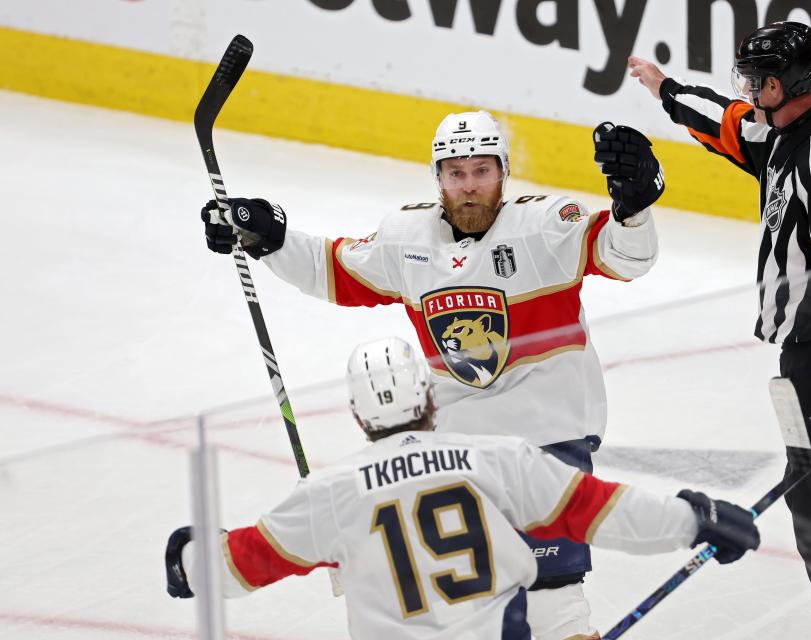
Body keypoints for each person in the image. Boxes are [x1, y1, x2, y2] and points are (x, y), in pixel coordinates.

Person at [199, 111, 666, 639]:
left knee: (553, 603)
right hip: (454, 455)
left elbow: (627, 259)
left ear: (504, 172)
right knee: (463, 604)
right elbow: (336, 270)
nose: (469, 186)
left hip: (548, 444)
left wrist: (633, 210)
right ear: (438, 177)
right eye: (455, 173)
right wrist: (268, 237)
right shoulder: (407, 237)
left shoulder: (548, 225)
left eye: (482, 171)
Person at [165, 337, 761, 639]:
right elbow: (600, 512)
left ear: (357, 414)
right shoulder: (495, 459)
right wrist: (698, 517)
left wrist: (191, 555)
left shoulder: (331, 492)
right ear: (429, 397)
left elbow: (237, 567)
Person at [628, 22, 811, 640]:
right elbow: (727, 123)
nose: (745, 87)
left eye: (755, 79)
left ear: (781, 84)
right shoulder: (780, 133)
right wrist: (666, 90)